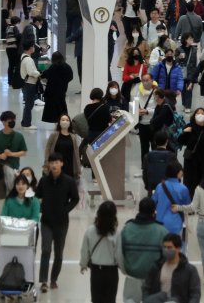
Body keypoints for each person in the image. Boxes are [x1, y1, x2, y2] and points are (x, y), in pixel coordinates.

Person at [37, 152, 80, 293]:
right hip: (46, 222)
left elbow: (75, 198)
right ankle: (43, 281)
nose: (54, 165)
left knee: (59, 253)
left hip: (62, 223)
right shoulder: (43, 181)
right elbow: (37, 197)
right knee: (45, 250)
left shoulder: (69, 181)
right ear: (48, 164)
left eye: (56, 162)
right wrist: (42, 207)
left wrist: (65, 210)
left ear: (61, 163)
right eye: (51, 162)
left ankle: (53, 279)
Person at [119, 196, 168, 302]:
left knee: (130, 300)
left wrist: (125, 270)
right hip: (154, 278)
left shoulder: (127, 228)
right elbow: (166, 257)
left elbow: (120, 253)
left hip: (132, 276)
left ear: (139, 209)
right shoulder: (162, 231)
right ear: (154, 211)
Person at [79, 201, 121, 303]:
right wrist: (124, 269)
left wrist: (83, 265)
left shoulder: (90, 231)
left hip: (96, 271)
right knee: (110, 299)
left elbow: (85, 251)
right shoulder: (116, 234)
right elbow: (119, 255)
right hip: (112, 272)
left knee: (96, 299)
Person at [142, 232, 201, 303]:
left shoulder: (190, 270)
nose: (166, 250)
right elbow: (146, 288)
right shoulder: (156, 267)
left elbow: (195, 294)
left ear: (178, 249)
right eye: (164, 247)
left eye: (169, 247)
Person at [177, 108, 204, 196]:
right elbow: (181, 141)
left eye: (202, 113)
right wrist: (184, 132)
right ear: (194, 116)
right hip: (191, 161)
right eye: (198, 113)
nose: (200, 115)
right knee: (190, 183)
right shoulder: (189, 127)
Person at [43, 114, 82, 181]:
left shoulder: (73, 137)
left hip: (69, 166)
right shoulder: (54, 135)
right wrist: (47, 163)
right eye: (63, 120)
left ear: (69, 123)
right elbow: (48, 149)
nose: (65, 122)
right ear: (59, 122)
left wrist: (78, 168)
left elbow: (76, 153)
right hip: (56, 165)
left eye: (67, 120)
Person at [41, 51, 74, 123]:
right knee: (62, 106)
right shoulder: (67, 66)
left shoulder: (53, 67)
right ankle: (63, 120)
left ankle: (54, 120)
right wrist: (64, 82)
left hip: (52, 91)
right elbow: (71, 77)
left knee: (52, 107)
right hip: (62, 90)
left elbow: (45, 75)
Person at [143, 130, 177, 196]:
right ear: (167, 141)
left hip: (152, 187)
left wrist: (148, 187)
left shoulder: (147, 156)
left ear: (155, 141)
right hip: (168, 189)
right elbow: (177, 173)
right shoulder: (172, 156)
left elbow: (145, 174)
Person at [19, 40, 42, 129]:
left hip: (27, 83)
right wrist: (39, 74)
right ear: (30, 48)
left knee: (28, 104)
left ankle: (24, 121)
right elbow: (31, 71)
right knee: (29, 104)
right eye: (33, 46)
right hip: (30, 83)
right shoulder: (28, 59)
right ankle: (27, 124)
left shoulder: (24, 57)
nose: (34, 48)